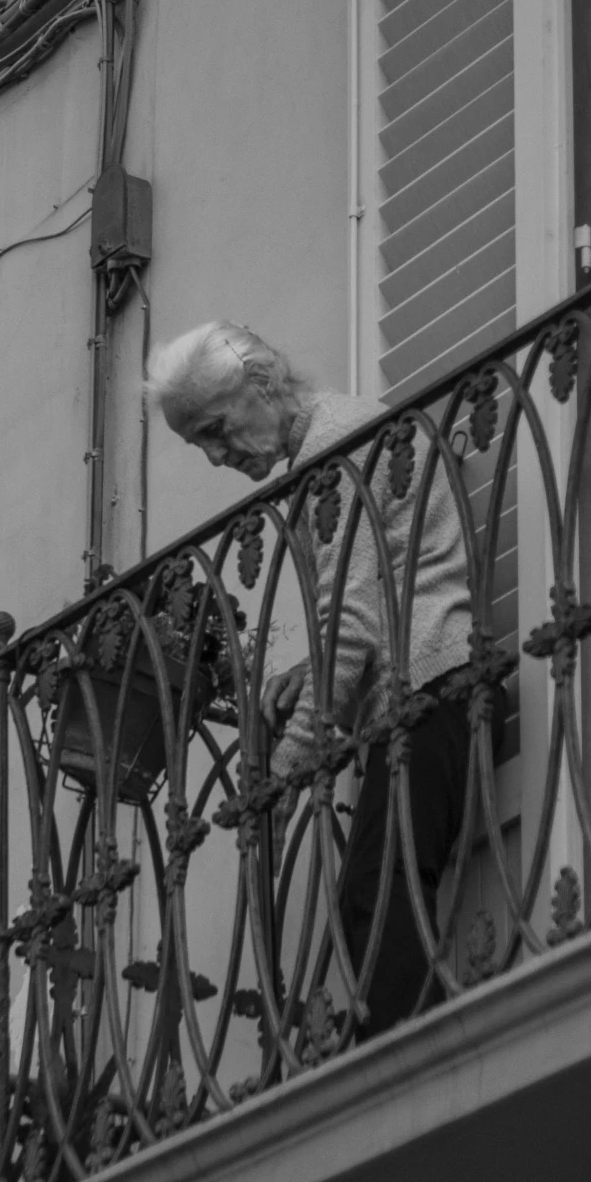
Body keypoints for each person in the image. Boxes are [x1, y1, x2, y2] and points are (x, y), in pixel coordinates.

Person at [145, 321, 475, 1034]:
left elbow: (349, 623)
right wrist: (311, 668)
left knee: (373, 896)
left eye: (212, 427)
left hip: (434, 688)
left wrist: (280, 781)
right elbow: (372, 595)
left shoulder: (332, 446)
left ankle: (412, 1069)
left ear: (260, 383)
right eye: (196, 441)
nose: (212, 455)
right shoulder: (334, 437)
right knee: (373, 894)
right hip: (427, 689)